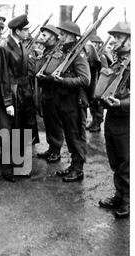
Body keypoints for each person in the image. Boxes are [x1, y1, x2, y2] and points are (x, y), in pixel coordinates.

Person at [42, 21, 90, 183]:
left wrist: (62, 80)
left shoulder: (78, 54)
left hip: (74, 103)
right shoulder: (66, 52)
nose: (59, 37)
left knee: (76, 136)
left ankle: (78, 170)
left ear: (70, 36)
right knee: (70, 136)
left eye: (62, 35)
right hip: (64, 101)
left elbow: (85, 79)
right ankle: (73, 166)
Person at [0, 14, 38, 182]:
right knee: (8, 131)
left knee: (20, 129)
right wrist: (7, 103)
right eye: (25, 30)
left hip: (23, 94)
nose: (28, 32)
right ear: (17, 30)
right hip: (11, 94)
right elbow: (3, 77)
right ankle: (7, 169)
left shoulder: (22, 46)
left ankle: (18, 163)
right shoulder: (4, 49)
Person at [98, 22, 130, 218]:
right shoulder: (118, 61)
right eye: (114, 37)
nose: (115, 40)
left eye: (119, 37)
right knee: (115, 160)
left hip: (126, 118)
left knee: (126, 161)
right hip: (112, 116)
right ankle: (119, 195)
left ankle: (127, 200)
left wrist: (121, 103)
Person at [36, 24, 64, 163]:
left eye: (45, 35)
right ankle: (51, 148)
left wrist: (45, 77)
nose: (42, 37)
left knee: (55, 122)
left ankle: (56, 150)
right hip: (46, 91)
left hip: (55, 93)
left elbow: (54, 73)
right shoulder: (47, 51)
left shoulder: (58, 52)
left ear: (53, 36)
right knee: (48, 121)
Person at [86, 34, 113, 132]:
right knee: (92, 103)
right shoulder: (92, 54)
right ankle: (93, 121)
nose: (93, 45)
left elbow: (106, 69)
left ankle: (97, 123)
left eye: (94, 43)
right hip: (93, 80)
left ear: (98, 44)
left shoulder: (103, 55)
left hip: (100, 81)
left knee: (98, 103)